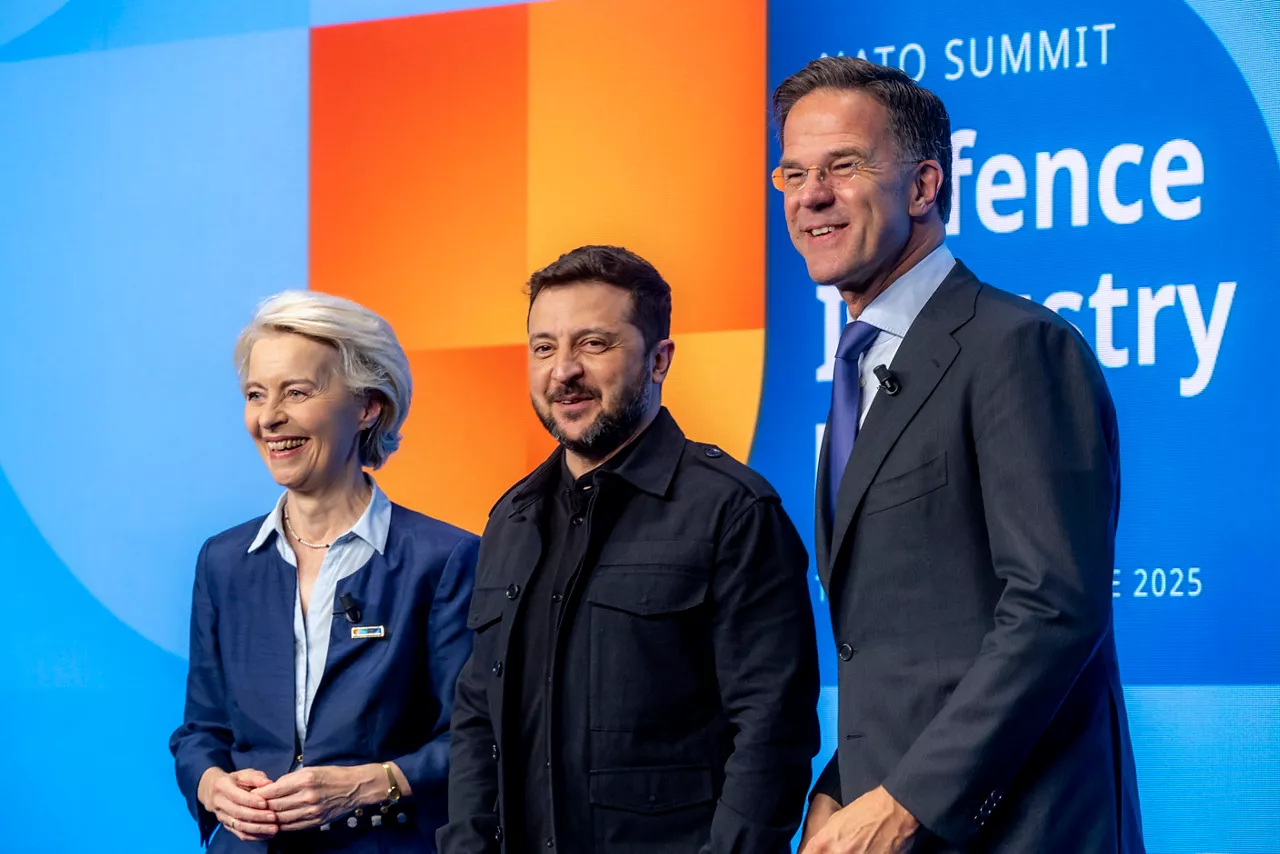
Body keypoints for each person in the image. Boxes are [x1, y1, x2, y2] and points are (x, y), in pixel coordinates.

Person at [770, 58, 1145, 853]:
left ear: (923, 185)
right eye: (793, 173)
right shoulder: (860, 368)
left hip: (1021, 830)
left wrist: (905, 800)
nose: (811, 196)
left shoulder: (1017, 347)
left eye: (843, 166)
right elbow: (903, 650)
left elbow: (1053, 608)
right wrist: (839, 785)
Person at [437, 245, 820, 854]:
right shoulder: (510, 520)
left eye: (594, 344)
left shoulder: (733, 511)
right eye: (544, 347)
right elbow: (478, 718)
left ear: (659, 359)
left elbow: (773, 731)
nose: (563, 370)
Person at [170, 290, 479, 852]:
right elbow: (200, 732)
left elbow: (474, 740)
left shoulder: (445, 559)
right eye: (256, 395)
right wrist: (214, 787)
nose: (269, 418)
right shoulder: (222, 561)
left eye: (297, 392)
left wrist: (371, 784)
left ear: (367, 406)